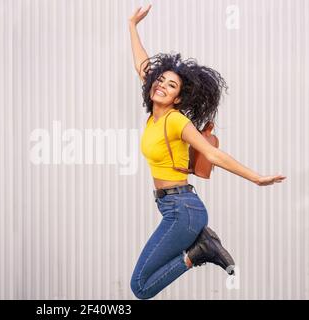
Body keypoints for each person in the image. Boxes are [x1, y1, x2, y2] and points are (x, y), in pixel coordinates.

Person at [128, 4, 286, 300]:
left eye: (170, 85)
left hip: (183, 210)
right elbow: (142, 65)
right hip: (173, 208)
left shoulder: (176, 120)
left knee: (140, 287)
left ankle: (200, 251)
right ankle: (202, 247)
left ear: (178, 97)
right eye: (160, 80)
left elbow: (213, 156)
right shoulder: (155, 115)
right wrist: (133, 26)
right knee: (142, 284)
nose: (161, 85)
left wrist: (257, 178)